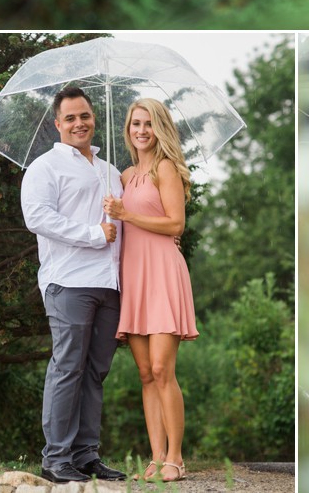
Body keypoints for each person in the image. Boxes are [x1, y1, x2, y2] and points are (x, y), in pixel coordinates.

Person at [19, 86, 128, 484]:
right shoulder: (44, 168)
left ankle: (86, 456)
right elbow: (38, 218)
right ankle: (56, 459)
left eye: (84, 115)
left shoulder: (109, 170)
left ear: (93, 117)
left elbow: (125, 224)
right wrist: (94, 234)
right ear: (57, 123)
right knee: (68, 368)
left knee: (95, 371)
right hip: (68, 282)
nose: (79, 123)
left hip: (110, 284)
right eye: (70, 118)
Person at [102, 98, 197, 483]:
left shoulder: (165, 169)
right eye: (135, 124)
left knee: (162, 369)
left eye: (149, 124)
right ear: (127, 129)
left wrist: (127, 214)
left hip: (162, 273)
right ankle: (156, 457)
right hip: (134, 276)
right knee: (144, 373)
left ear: (160, 129)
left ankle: (176, 457)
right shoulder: (123, 176)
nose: (141, 131)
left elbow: (175, 224)